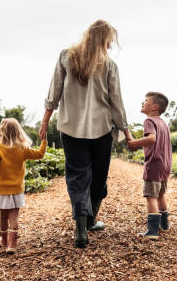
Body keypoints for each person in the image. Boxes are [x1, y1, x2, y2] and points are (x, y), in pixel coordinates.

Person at [39, 19, 131, 248]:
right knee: (98, 176)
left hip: (70, 128)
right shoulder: (109, 66)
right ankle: (90, 222)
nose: (110, 47)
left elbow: (54, 91)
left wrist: (45, 121)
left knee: (78, 177)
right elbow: (116, 101)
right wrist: (126, 131)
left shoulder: (65, 56)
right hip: (101, 129)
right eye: (109, 41)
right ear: (103, 40)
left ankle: (81, 231)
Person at [0, 118, 47, 254]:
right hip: (16, 190)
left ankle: (4, 240)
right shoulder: (22, 149)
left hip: (1, 190)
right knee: (14, 218)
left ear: (1, 132)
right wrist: (44, 140)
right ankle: (12, 244)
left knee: (3, 216)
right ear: (18, 132)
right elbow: (40, 154)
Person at [127, 92, 172, 239]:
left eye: (145, 101)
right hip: (165, 165)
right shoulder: (163, 123)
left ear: (155, 106)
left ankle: (152, 231)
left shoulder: (149, 121)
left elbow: (151, 139)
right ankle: (164, 225)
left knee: (150, 197)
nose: (142, 103)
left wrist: (134, 143)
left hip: (154, 164)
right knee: (160, 195)